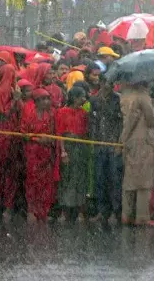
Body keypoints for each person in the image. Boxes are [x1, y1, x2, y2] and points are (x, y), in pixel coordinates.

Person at [119, 82, 154, 225]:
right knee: (144, 181)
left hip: (129, 140)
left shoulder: (125, 95)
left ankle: (126, 214)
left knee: (129, 179)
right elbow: (151, 120)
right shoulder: (143, 96)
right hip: (143, 141)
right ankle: (142, 217)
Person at [0, 52, 21, 221]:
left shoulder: (9, 90)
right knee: (6, 172)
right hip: (6, 135)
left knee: (1, 172)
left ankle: (1, 206)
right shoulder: (4, 91)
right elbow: (2, 114)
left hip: (4, 136)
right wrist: (16, 101)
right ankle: (2, 207)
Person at [88, 77, 122, 224]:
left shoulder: (118, 100)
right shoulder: (94, 100)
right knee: (100, 179)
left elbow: (121, 122)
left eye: (111, 83)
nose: (110, 85)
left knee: (114, 179)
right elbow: (92, 121)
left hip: (113, 145)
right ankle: (102, 211)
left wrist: (118, 143)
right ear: (101, 83)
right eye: (107, 83)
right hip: (99, 145)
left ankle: (116, 211)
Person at [20, 88, 57, 223]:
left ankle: (43, 211)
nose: (47, 101)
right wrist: (37, 139)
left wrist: (49, 139)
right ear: (36, 101)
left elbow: (54, 133)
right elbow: (23, 133)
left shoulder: (51, 114)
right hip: (33, 151)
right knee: (32, 181)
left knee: (46, 182)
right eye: (43, 99)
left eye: (48, 98)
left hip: (46, 152)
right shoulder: (28, 113)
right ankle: (31, 210)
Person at [56, 87, 89, 222]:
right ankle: (64, 212)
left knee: (80, 178)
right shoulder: (62, 112)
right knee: (67, 177)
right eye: (82, 97)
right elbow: (59, 133)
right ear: (75, 98)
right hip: (68, 147)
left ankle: (81, 212)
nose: (84, 99)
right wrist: (63, 151)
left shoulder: (83, 113)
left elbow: (86, 133)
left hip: (80, 147)